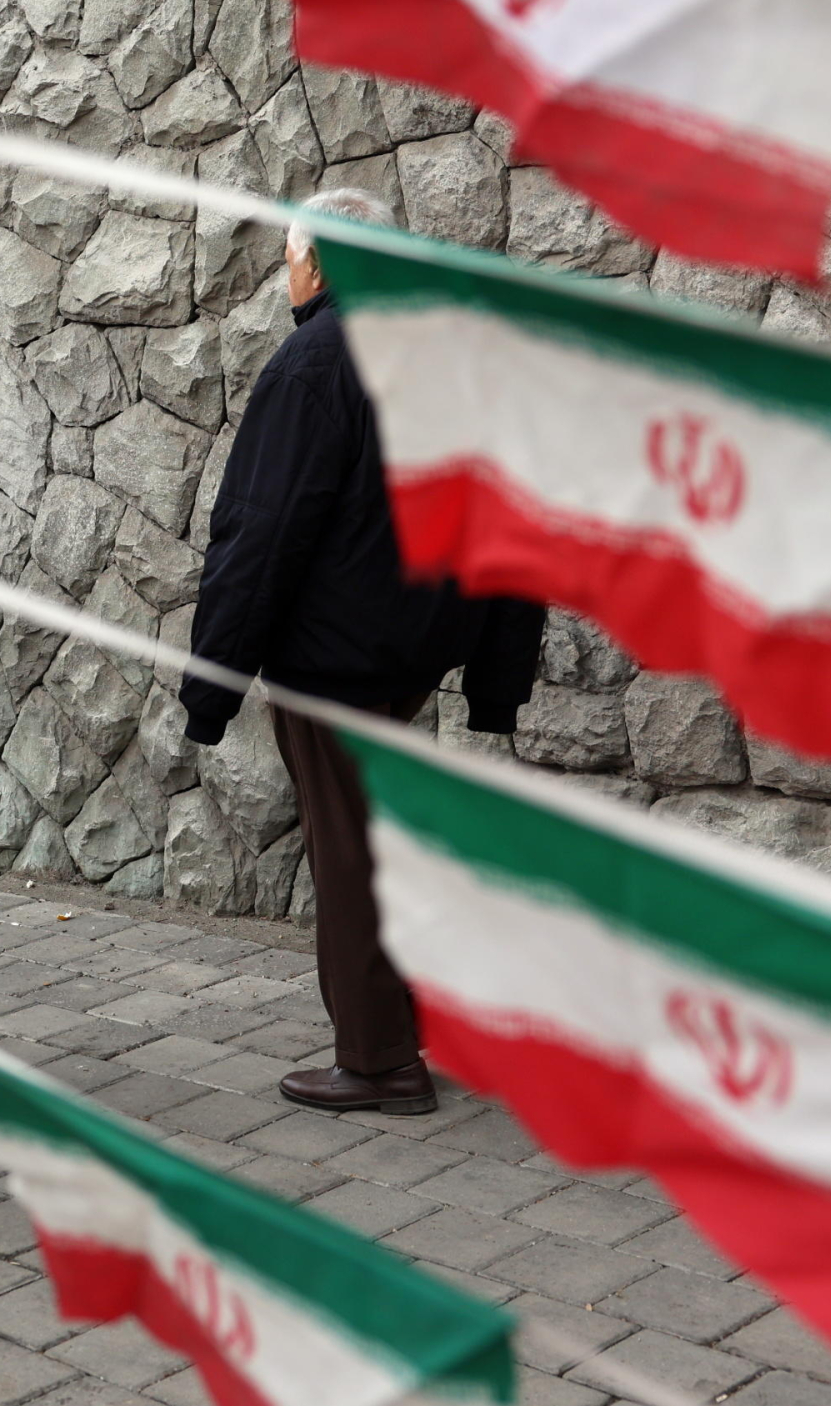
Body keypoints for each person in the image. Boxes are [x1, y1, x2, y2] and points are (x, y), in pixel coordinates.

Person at [180, 190, 545, 1118]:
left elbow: (260, 532)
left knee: (350, 857)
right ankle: (412, 1023)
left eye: (293, 256)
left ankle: (380, 1061)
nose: (287, 275)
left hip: (333, 660)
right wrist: (495, 679)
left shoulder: (314, 363)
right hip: (411, 652)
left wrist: (210, 684)